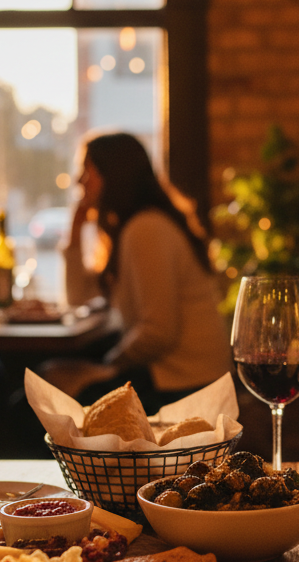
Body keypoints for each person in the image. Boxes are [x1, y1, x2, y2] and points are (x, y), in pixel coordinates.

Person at [44, 132, 230, 413]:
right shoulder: (133, 228)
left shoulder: (147, 229)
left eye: (87, 170)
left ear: (113, 174)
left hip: (185, 386)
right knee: (48, 380)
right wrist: (75, 231)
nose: (79, 181)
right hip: (169, 375)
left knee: (38, 404)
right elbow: (78, 298)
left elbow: (158, 332)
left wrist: (108, 365)